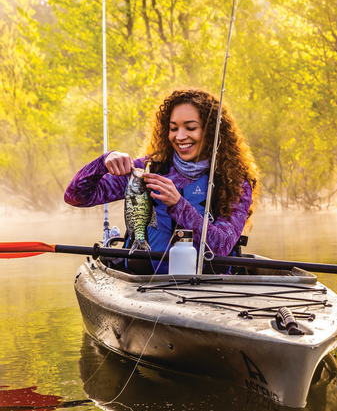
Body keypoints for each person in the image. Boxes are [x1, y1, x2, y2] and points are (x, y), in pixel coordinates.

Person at [65, 87, 259, 273]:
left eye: (190, 128)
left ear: (211, 132)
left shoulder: (235, 182)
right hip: (142, 282)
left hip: (208, 285)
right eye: (173, 128)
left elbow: (222, 246)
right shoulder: (146, 171)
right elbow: (76, 197)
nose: (180, 136)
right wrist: (102, 162)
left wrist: (178, 204)